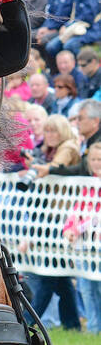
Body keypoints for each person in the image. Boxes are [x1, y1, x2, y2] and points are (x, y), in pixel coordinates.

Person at [63, 141, 101, 332]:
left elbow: (97, 217)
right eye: (93, 159)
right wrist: (68, 228)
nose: (96, 163)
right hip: (84, 245)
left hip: (97, 243)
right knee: (86, 289)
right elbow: (75, 211)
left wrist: (78, 228)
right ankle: (95, 330)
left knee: (99, 289)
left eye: (100, 159)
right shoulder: (87, 185)